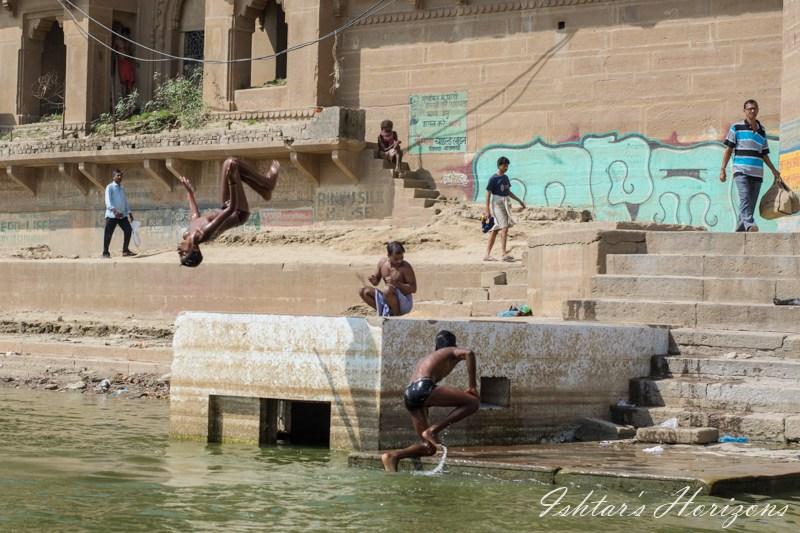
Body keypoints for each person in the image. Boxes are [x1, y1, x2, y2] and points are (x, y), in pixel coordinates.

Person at [381, 330, 479, 472]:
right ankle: (433, 431)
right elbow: (469, 353)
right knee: (473, 402)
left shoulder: (430, 357)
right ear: (454, 345)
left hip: (410, 395)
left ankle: (392, 456)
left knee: (429, 448)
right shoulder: (450, 350)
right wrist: (472, 387)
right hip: (423, 388)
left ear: (435, 347)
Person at [177, 157, 280, 267]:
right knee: (231, 164)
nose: (179, 251)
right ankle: (267, 183)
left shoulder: (187, 234)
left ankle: (264, 191)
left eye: (180, 254)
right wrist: (232, 183)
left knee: (232, 168)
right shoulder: (204, 233)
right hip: (238, 212)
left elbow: (195, 216)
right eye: (184, 253)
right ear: (194, 248)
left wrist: (190, 193)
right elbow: (231, 210)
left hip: (227, 206)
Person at [720, 99, 781, 232]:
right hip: (741, 171)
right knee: (745, 198)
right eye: (749, 109)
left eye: (754, 108)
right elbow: (729, 150)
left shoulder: (762, 131)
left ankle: (741, 229)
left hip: (758, 173)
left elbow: (764, 154)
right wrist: (723, 169)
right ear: (745, 111)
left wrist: (774, 170)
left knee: (750, 204)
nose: (752, 110)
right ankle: (750, 225)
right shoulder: (736, 127)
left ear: (757, 110)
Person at [484, 156, 526, 262]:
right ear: (499, 165)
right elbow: (488, 194)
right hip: (497, 204)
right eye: (504, 165)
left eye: (507, 165)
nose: (506, 167)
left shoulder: (506, 178)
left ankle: (487, 255)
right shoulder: (493, 178)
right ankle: (503, 254)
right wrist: (487, 209)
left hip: (505, 203)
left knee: (496, 229)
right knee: (504, 227)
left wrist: (519, 200)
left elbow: (508, 192)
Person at [359, 241, 416, 316]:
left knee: (387, 289)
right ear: (388, 255)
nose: (399, 261)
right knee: (363, 291)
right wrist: (374, 280)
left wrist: (396, 284)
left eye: (401, 258)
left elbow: (413, 289)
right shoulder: (382, 263)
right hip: (388, 298)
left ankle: (396, 316)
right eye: (396, 259)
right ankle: (384, 312)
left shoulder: (405, 267)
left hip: (404, 302)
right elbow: (376, 282)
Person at [102, 169, 135, 258]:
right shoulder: (110, 187)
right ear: (113, 177)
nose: (120, 177)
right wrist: (114, 211)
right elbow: (107, 201)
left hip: (122, 215)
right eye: (118, 175)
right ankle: (105, 253)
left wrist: (129, 213)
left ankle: (125, 251)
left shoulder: (121, 188)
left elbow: (125, 201)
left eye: (121, 176)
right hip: (112, 215)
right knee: (108, 234)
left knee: (128, 230)